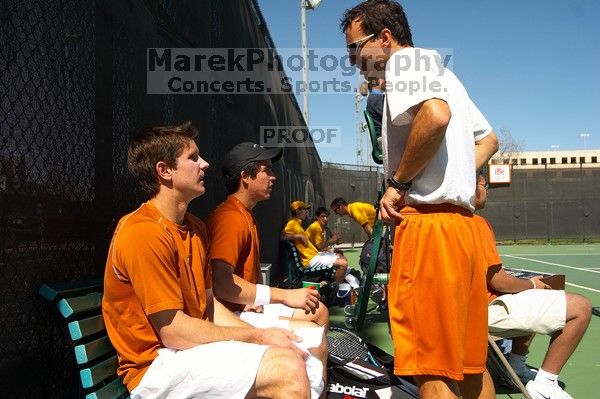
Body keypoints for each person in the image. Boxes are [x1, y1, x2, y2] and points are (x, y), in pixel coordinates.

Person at [341, 1, 499, 398]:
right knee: (469, 369)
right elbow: (489, 139)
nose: (353, 61)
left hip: (429, 230)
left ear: (385, 38)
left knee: (431, 370)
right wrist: (464, 174)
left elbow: (435, 116)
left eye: (355, 49)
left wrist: (397, 182)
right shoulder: (447, 74)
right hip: (463, 232)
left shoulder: (405, 65)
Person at [102, 122, 312, 399]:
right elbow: (174, 332)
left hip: (187, 350)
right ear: (164, 171)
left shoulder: (195, 227)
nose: (205, 164)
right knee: (288, 369)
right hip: (155, 367)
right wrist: (259, 337)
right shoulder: (143, 232)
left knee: (307, 344)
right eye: (193, 158)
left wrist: (262, 335)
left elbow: (209, 302)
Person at [206, 142, 329, 394]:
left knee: (319, 311)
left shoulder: (244, 214)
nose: (273, 177)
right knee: (314, 337)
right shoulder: (230, 218)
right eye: (266, 170)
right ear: (245, 177)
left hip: (241, 308)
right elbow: (221, 283)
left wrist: (251, 299)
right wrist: (284, 295)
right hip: (228, 317)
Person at [473, 174, 592, 399]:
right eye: (483, 185)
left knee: (529, 293)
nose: (487, 189)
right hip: (484, 310)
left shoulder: (445, 223)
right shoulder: (476, 223)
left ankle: (516, 367)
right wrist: (531, 284)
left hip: (462, 309)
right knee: (581, 307)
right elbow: (497, 280)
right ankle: (546, 383)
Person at [281, 201, 348, 284]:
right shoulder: (293, 223)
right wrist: (299, 236)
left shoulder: (296, 223)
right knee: (343, 263)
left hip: (313, 256)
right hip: (309, 260)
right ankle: (336, 289)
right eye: (305, 210)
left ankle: (331, 281)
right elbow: (282, 237)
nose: (306, 212)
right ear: (298, 211)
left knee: (341, 257)